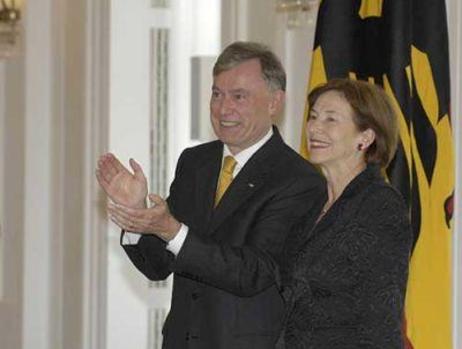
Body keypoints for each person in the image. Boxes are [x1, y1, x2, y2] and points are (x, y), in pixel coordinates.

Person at [96, 41, 326, 349]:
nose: (223, 108)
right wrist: (137, 215)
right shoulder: (195, 162)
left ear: (274, 102)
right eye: (216, 94)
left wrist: (170, 229)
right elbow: (158, 266)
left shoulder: (298, 179)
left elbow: (252, 272)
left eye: (238, 96)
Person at [278, 79, 412, 349]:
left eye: (331, 119)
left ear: (365, 137)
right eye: (313, 116)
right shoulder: (310, 204)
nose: (314, 127)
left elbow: (381, 317)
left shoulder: (379, 205)